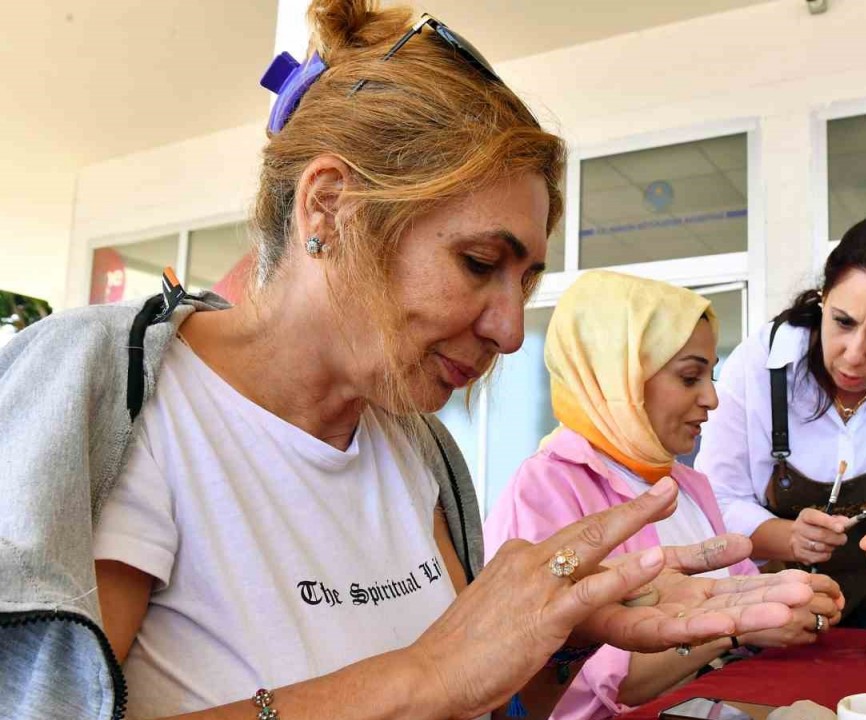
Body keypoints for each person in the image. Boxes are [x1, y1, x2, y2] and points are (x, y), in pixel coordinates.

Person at [0, 3, 815, 718]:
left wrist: (559, 640)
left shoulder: (412, 450)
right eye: (477, 263)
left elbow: (473, 699)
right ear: (331, 206)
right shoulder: (133, 413)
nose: (508, 330)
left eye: (525, 279)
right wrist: (417, 675)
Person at [485, 271, 844, 720]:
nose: (711, 398)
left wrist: (796, 599)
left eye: (710, 375)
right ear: (620, 375)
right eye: (690, 376)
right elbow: (602, 683)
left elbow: (742, 587)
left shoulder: (689, 485)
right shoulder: (547, 489)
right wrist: (734, 630)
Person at [696, 211, 866, 631]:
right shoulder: (760, 365)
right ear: (824, 297)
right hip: (771, 612)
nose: (854, 354)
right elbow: (717, 501)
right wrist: (789, 537)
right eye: (843, 322)